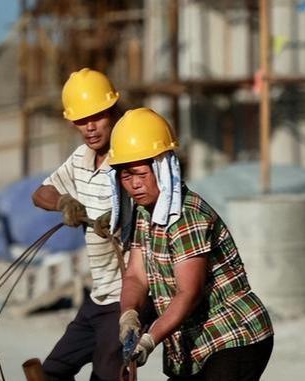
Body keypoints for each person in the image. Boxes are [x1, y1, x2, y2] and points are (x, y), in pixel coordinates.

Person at [108, 108, 274, 381]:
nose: (135, 185)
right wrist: (129, 315)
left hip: (232, 335)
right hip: (193, 345)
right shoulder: (143, 213)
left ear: (162, 169)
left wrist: (150, 340)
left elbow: (189, 292)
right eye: (126, 177)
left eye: (140, 174)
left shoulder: (186, 216)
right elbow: (136, 276)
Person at [32, 68, 124, 381]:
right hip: (98, 295)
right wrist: (63, 203)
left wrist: (120, 218)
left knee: (107, 376)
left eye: (96, 117)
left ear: (112, 111)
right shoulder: (81, 159)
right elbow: (40, 193)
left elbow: (152, 203)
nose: (89, 127)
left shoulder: (129, 154)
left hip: (127, 296)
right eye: (81, 121)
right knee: (50, 374)